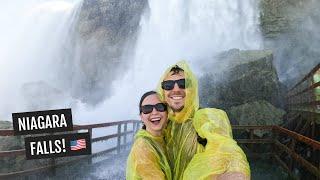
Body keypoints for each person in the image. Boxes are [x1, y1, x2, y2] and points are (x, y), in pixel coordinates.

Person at [156, 61, 250, 180]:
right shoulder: (159, 125)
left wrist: (235, 173)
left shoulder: (205, 117)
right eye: (168, 85)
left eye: (183, 84)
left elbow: (227, 149)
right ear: (163, 91)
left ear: (193, 88)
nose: (176, 89)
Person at [126, 91, 172, 180]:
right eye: (147, 109)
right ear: (141, 117)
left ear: (167, 112)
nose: (154, 112)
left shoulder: (165, 137)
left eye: (160, 107)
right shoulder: (142, 149)